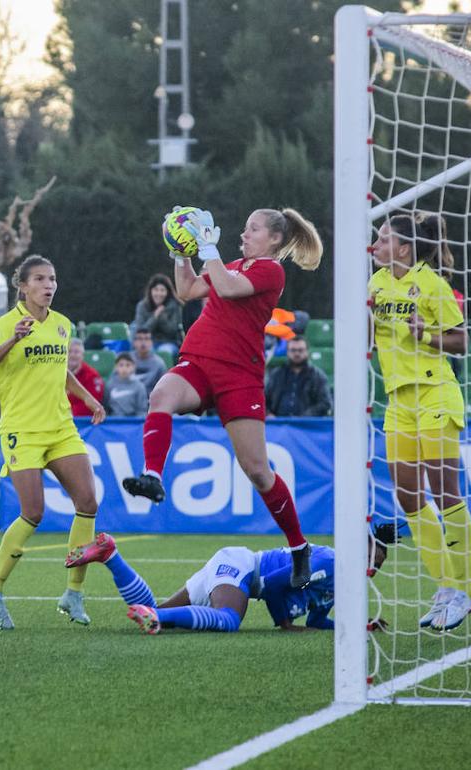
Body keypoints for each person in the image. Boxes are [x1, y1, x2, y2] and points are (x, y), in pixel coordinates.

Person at [123, 207, 324, 589]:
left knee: (257, 471)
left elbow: (228, 287)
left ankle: (299, 547)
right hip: (199, 360)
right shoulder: (229, 264)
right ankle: (152, 476)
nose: (244, 234)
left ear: (275, 239)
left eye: (253, 229)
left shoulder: (270, 271)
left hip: (239, 375)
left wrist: (207, 249)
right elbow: (186, 291)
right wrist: (180, 251)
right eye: (245, 228)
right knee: (161, 394)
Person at [0, 255, 107, 630]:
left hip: (61, 427)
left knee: (87, 502)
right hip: (22, 429)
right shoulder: (6, 324)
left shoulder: (63, 325)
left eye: (52, 278)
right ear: (23, 286)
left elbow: (62, 370)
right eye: (40, 279)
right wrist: (14, 339)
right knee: (33, 512)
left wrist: (90, 399)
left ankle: (74, 593)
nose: (48, 285)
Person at [371, 211, 471, 631]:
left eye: (382, 240)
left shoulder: (432, 284)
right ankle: (446, 586)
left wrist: (426, 334)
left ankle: (466, 588)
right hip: (399, 401)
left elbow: (461, 340)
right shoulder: (375, 285)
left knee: (444, 492)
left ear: (403, 247)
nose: (375, 246)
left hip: (436, 393)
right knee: (408, 497)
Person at [64, 526, 395, 634]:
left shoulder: (340, 582)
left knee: (150, 608)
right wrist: (284, 622)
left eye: (377, 565)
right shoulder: (327, 561)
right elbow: (272, 587)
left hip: (235, 570)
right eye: (371, 559)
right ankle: (159, 619)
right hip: (242, 566)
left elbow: (320, 619)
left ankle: (110, 554)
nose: (372, 569)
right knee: (229, 621)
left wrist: (358, 627)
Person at [264, 335, 333, 417]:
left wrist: (303, 417)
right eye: (293, 350)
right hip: (279, 425)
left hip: (307, 426)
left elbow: (325, 404)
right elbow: (263, 400)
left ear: (307, 352)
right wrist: (268, 414)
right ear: (287, 352)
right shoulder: (276, 375)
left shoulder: (318, 376)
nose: (297, 353)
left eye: (300, 350)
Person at [132, 274, 183, 355]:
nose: (159, 293)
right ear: (151, 291)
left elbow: (172, 331)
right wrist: (155, 317)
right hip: (148, 343)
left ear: (167, 292)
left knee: (163, 352)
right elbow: (140, 331)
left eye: (162, 290)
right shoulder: (142, 306)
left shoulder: (175, 306)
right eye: (156, 290)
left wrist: (162, 316)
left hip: (169, 343)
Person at [66, 337, 104, 418]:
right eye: (69, 352)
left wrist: (68, 413)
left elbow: (93, 403)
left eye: (76, 352)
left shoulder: (92, 376)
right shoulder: (57, 373)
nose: (72, 355)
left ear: (83, 355)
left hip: (83, 421)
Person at [130, 328, 167, 394]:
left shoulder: (159, 364)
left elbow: (164, 388)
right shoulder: (126, 360)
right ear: (134, 342)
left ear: (151, 343)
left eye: (146, 339)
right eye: (140, 339)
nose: (143, 342)